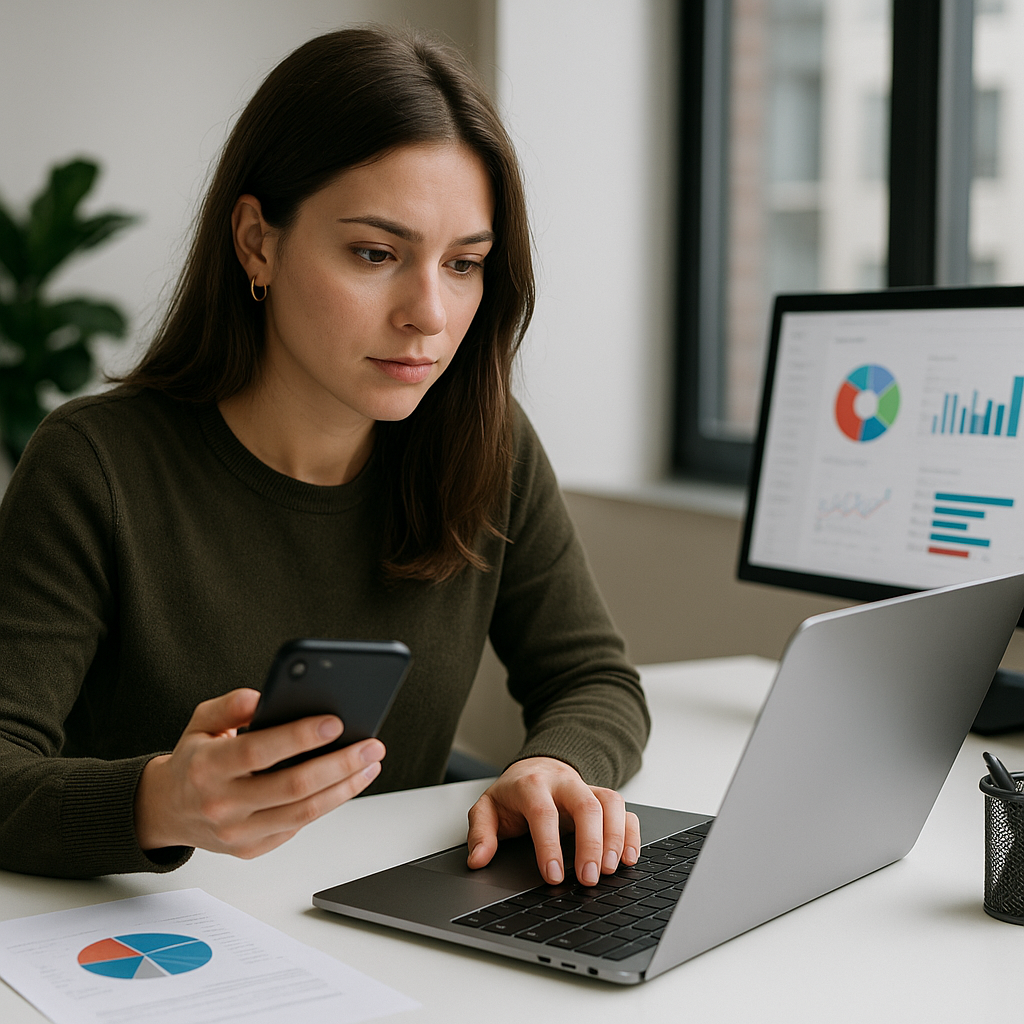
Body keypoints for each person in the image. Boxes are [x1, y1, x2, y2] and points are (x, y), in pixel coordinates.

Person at [0, 27, 649, 885]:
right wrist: (157, 802)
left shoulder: (487, 445)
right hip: (139, 946)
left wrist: (558, 765)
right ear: (257, 243)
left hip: (385, 930)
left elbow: (594, 677)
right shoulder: (96, 466)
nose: (429, 313)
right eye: (376, 254)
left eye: (464, 264)